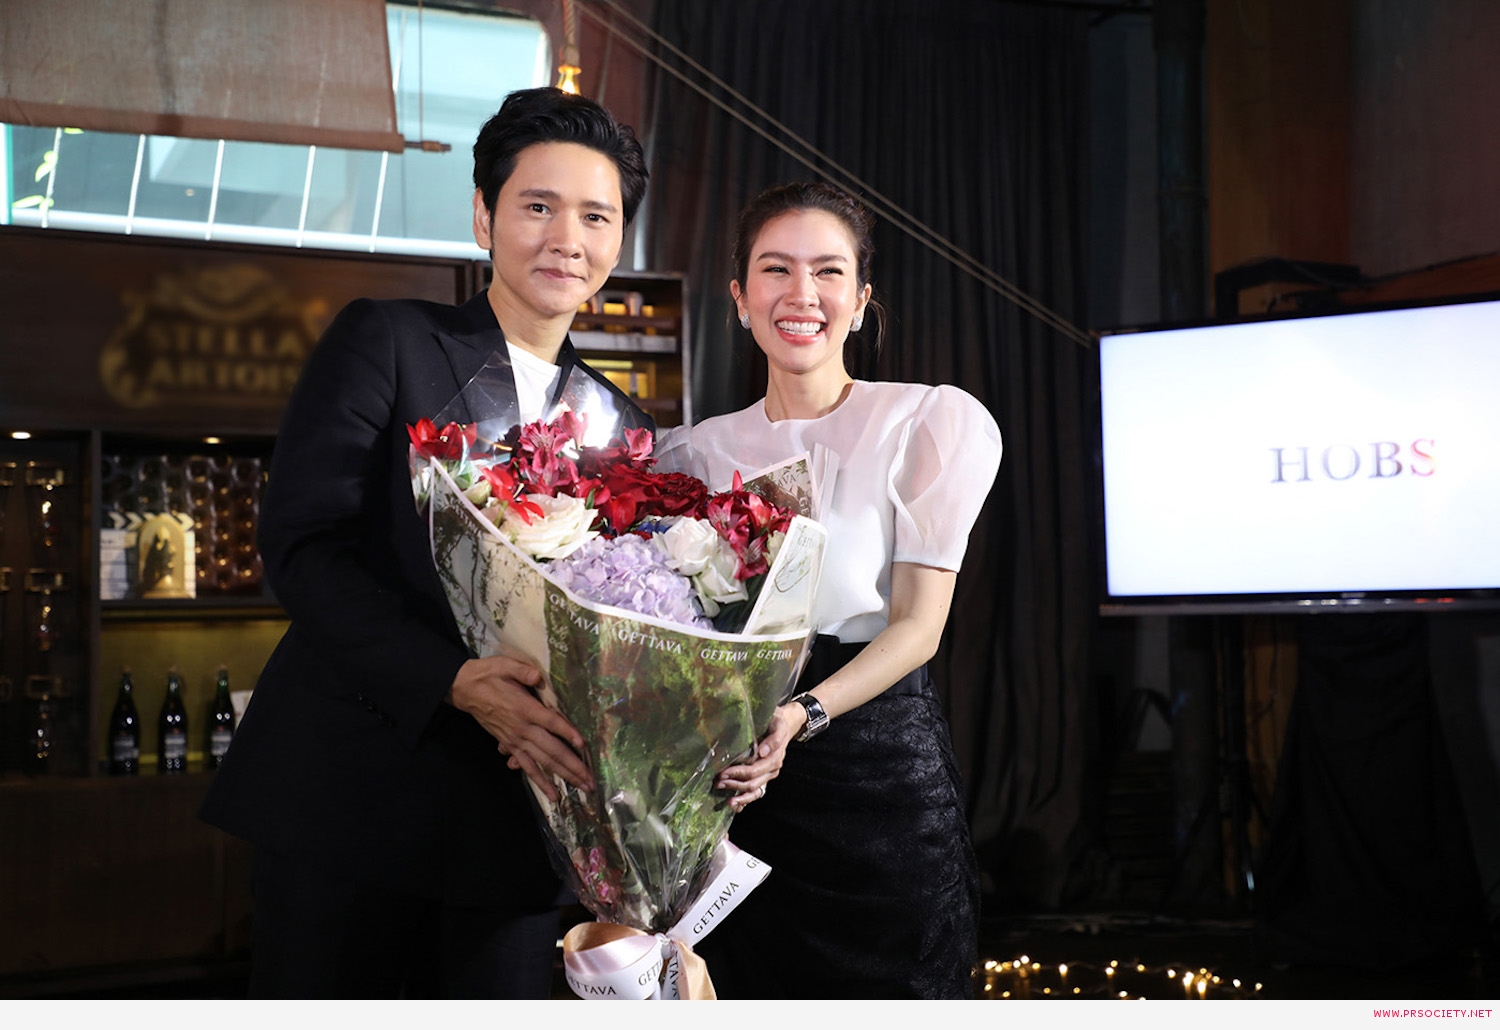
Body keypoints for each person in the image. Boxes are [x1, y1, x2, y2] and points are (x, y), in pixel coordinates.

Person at [200, 87, 652, 999]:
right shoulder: (390, 341)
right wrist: (451, 679)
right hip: (355, 796)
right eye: (537, 206)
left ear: (616, 243)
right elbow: (304, 545)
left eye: (595, 216)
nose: (567, 238)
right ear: (485, 216)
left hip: (519, 824)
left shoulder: (621, 423)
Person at [667, 182, 1002, 998]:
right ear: (740, 297)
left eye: (828, 271)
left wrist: (803, 715)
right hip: (742, 785)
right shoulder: (694, 455)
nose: (802, 293)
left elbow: (919, 629)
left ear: (860, 301)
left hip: (878, 777)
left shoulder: (923, 423)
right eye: (775, 269)